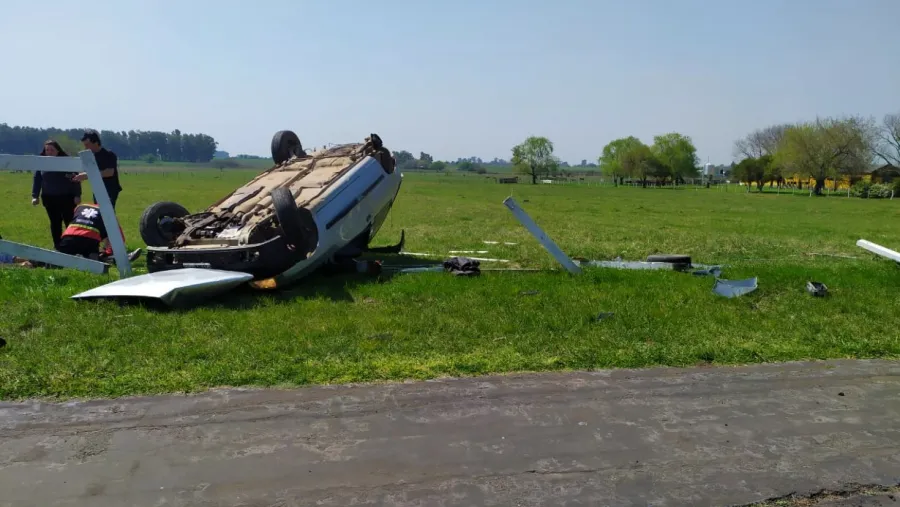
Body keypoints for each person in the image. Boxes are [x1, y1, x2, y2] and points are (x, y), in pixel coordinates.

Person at [71, 129, 125, 258]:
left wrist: (88, 175)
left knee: (108, 216)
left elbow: (109, 172)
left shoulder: (109, 155)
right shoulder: (89, 157)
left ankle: (112, 247)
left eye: (88, 144)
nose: (86, 147)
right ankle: (106, 246)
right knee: (100, 218)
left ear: (96, 142)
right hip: (97, 190)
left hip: (110, 190)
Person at [31, 140, 82, 249]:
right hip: (49, 198)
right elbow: (37, 179)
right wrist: (35, 196)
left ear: (57, 150)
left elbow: (75, 179)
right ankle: (57, 246)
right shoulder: (41, 162)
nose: (49, 152)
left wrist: (77, 195)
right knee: (55, 223)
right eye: (47, 150)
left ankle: (72, 245)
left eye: (52, 150)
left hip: (66, 197)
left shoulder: (66, 162)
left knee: (69, 221)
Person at [57, 203, 141, 263]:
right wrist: (107, 252)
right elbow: (119, 238)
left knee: (59, 259)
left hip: (68, 237)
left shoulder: (80, 206)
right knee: (95, 260)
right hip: (90, 240)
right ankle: (113, 259)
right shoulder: (109, 214)